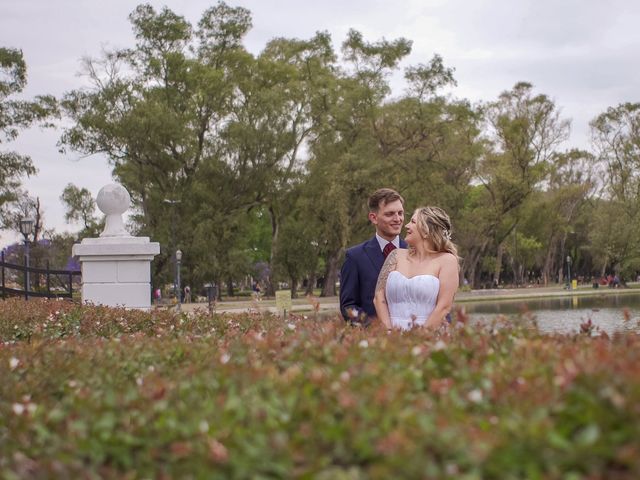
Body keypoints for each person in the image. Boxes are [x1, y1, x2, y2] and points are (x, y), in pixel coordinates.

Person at [373, 206, 459, 330]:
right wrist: (389, 332)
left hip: (428, 336)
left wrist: (419, 338)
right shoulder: (395, 255)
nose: (406, 226)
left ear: (426, 231)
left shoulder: (447, 260)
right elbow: (378, 297)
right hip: (392, 336)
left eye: (413, 222)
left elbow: (444, 307)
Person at [340, 188, 408, 325]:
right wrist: (377, 329)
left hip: (416, 337)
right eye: (390, 214)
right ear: (373, 218)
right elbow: (348, 307)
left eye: (400, 213)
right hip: (375, 340)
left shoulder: (416, 251)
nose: (397, 219)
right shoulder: (355, 257)